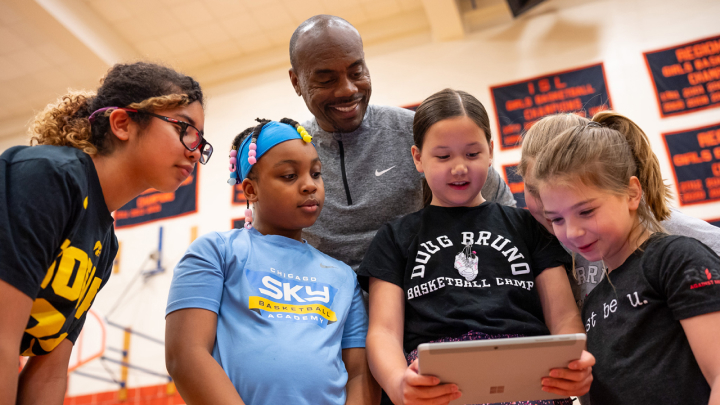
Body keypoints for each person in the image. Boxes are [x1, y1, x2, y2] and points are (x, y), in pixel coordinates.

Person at [357, 89, 594, 405]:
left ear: (491, 151)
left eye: (472, 154)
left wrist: (572, 361)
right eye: (443, 156)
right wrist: (400, 385)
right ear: (418, 158)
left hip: (528, 377)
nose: (459, 168)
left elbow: (563, 315)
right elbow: (383, 333)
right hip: (436, 386)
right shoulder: (396, 236)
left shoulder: (527, 227)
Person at [0, 62, 210, 405]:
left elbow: (50, 370)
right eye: (184, 128)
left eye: (200, 139)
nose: (195, 149)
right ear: (122, 123)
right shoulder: (47, 177)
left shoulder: (104, 243)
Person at [165, 119, 378, 405]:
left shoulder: (341, 276)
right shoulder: (216, 252)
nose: (309, 185)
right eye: (289, 176)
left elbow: (359, 373)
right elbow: (186, 355)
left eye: (316, 173)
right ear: (251, 190)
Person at [288, 15, 516, 270]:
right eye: (327, 79)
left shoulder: (415, 130)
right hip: (330, 304)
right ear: (296, 81)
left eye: (356, 72)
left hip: (421, 299)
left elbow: (502, 209)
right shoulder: (288, 152)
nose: (348, 89)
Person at [533, 114, 720, 405]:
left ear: (632, 193)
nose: (572, 232)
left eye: (586, 211)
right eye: (556, 219)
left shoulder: (674, 259)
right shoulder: (593, 302)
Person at [517, 112, 720, 308]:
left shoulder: (670, 240)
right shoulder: (542, 234)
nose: (548, 205)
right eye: (534, 190)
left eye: (585, 211)